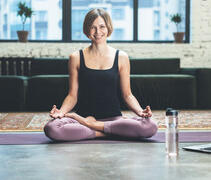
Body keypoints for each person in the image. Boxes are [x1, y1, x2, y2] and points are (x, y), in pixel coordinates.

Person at [44, 8, 158, 141]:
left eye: (102, 27)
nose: (98, 32)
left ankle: (94, 127)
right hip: (83, 118)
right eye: (93, 27)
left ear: (108, 28)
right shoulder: (76, 57)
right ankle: (111, 132)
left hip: (113, 119)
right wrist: (62, 112)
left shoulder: (121, 57)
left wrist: (140, 112)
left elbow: (127, 94)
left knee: (150, 126)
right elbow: (72, 95)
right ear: (87, 30)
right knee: (52, 128)